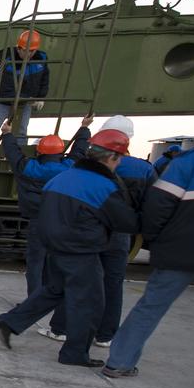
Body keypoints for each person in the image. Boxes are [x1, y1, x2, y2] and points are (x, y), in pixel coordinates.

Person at [0, 129, 139, 367]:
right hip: (80, 249)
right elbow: (126, 222)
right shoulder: (101, 185)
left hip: (54, 245)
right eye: (119, 159)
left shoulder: (60, 179)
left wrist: (8, 136)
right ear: (111, 157)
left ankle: (10, 322)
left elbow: (16, 158)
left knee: (53, 290)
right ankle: (74, 353)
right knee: (89, 302)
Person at [102, 129, 194, 377]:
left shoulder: (190, 162)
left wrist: (155, 238)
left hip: (183, 247)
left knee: (151, 306)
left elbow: (157, 205)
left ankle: (119, 362)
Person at [41, 115, 154, 345]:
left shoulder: (86, 167)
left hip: (88, 230)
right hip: (120, 234)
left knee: (74, 279)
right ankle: (105, 335)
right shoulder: (143, 169)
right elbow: (152, 205)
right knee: (112, 284)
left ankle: (61, 328)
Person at [0, 115, 93, 294]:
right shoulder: (70, 167)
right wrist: (84, 127)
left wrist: (7, 134)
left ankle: (34, 299)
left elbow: (13, 153)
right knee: (57, 261)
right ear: (60, 153)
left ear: (38, 152)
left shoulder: (28, 167)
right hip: (62, 222)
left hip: (38, 221)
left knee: (35, 262)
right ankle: (53, 297)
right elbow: (79, 150)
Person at [0, 30, 50, 138]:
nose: (29, 54)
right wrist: (29, 99)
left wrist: (40, 97)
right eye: (25, 51)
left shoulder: (41, 60)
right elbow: (3, 90)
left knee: (21, 132)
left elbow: (44, 80)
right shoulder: (8, 64)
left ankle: (19, 153)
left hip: (25, 103)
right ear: (18, 48)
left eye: (32, 51)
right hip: (5, 102)